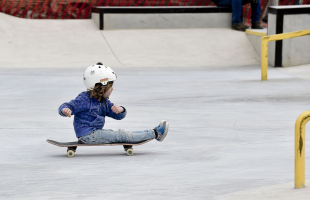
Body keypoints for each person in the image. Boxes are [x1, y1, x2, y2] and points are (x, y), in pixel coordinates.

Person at [58, 62, 169, 145]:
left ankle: (152, 131)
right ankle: (155, 134)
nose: (112, 89)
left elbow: (117, 116)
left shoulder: (104, 102)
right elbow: (68, 106)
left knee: (123, 133)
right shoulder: (84, 99)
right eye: (110, 87)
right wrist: (65, 110)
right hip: (87, 135)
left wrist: (121, 110)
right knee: (121, 135)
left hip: (95, 133)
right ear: (101, 87)